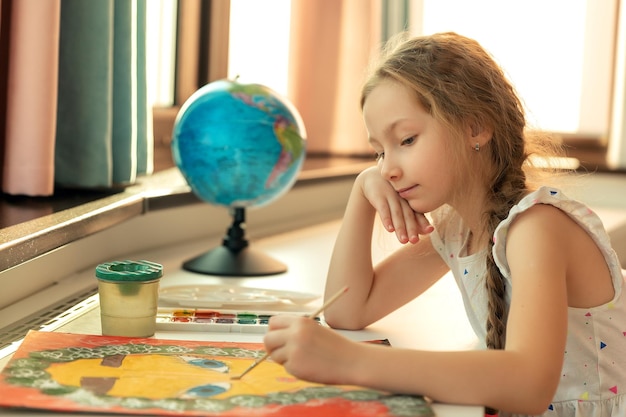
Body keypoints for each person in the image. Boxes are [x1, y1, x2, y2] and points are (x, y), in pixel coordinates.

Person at [262, 32, 626, 416]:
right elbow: (348, 310)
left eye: (406, 139)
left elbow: (529, 384)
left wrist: (349, 362)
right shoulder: (457, 230)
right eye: (378, 152)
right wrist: (360, 192)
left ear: (475, 128)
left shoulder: (536, 228)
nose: (388, 168)